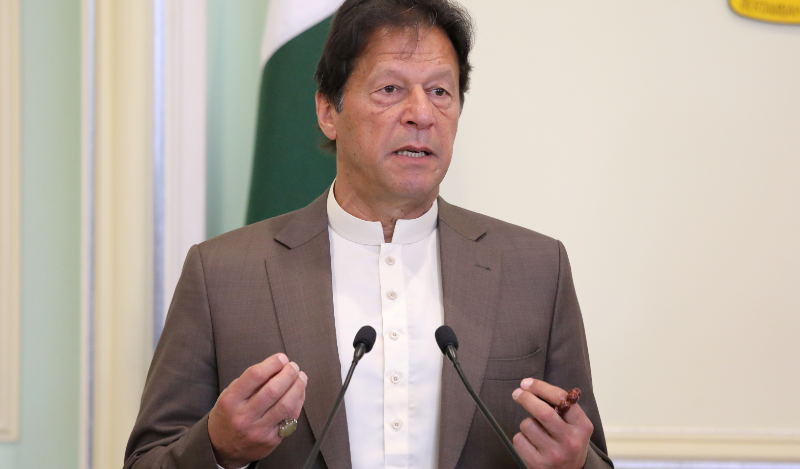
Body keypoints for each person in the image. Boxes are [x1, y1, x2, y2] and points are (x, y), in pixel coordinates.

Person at [124, 0, 613, 468]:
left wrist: (573, 464)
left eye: (440, 92)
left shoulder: (536, 270)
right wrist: (218, 447)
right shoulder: (223, 275)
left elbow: (591, 456)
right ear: (328, 111)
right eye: (391, 89)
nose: (422, 114)